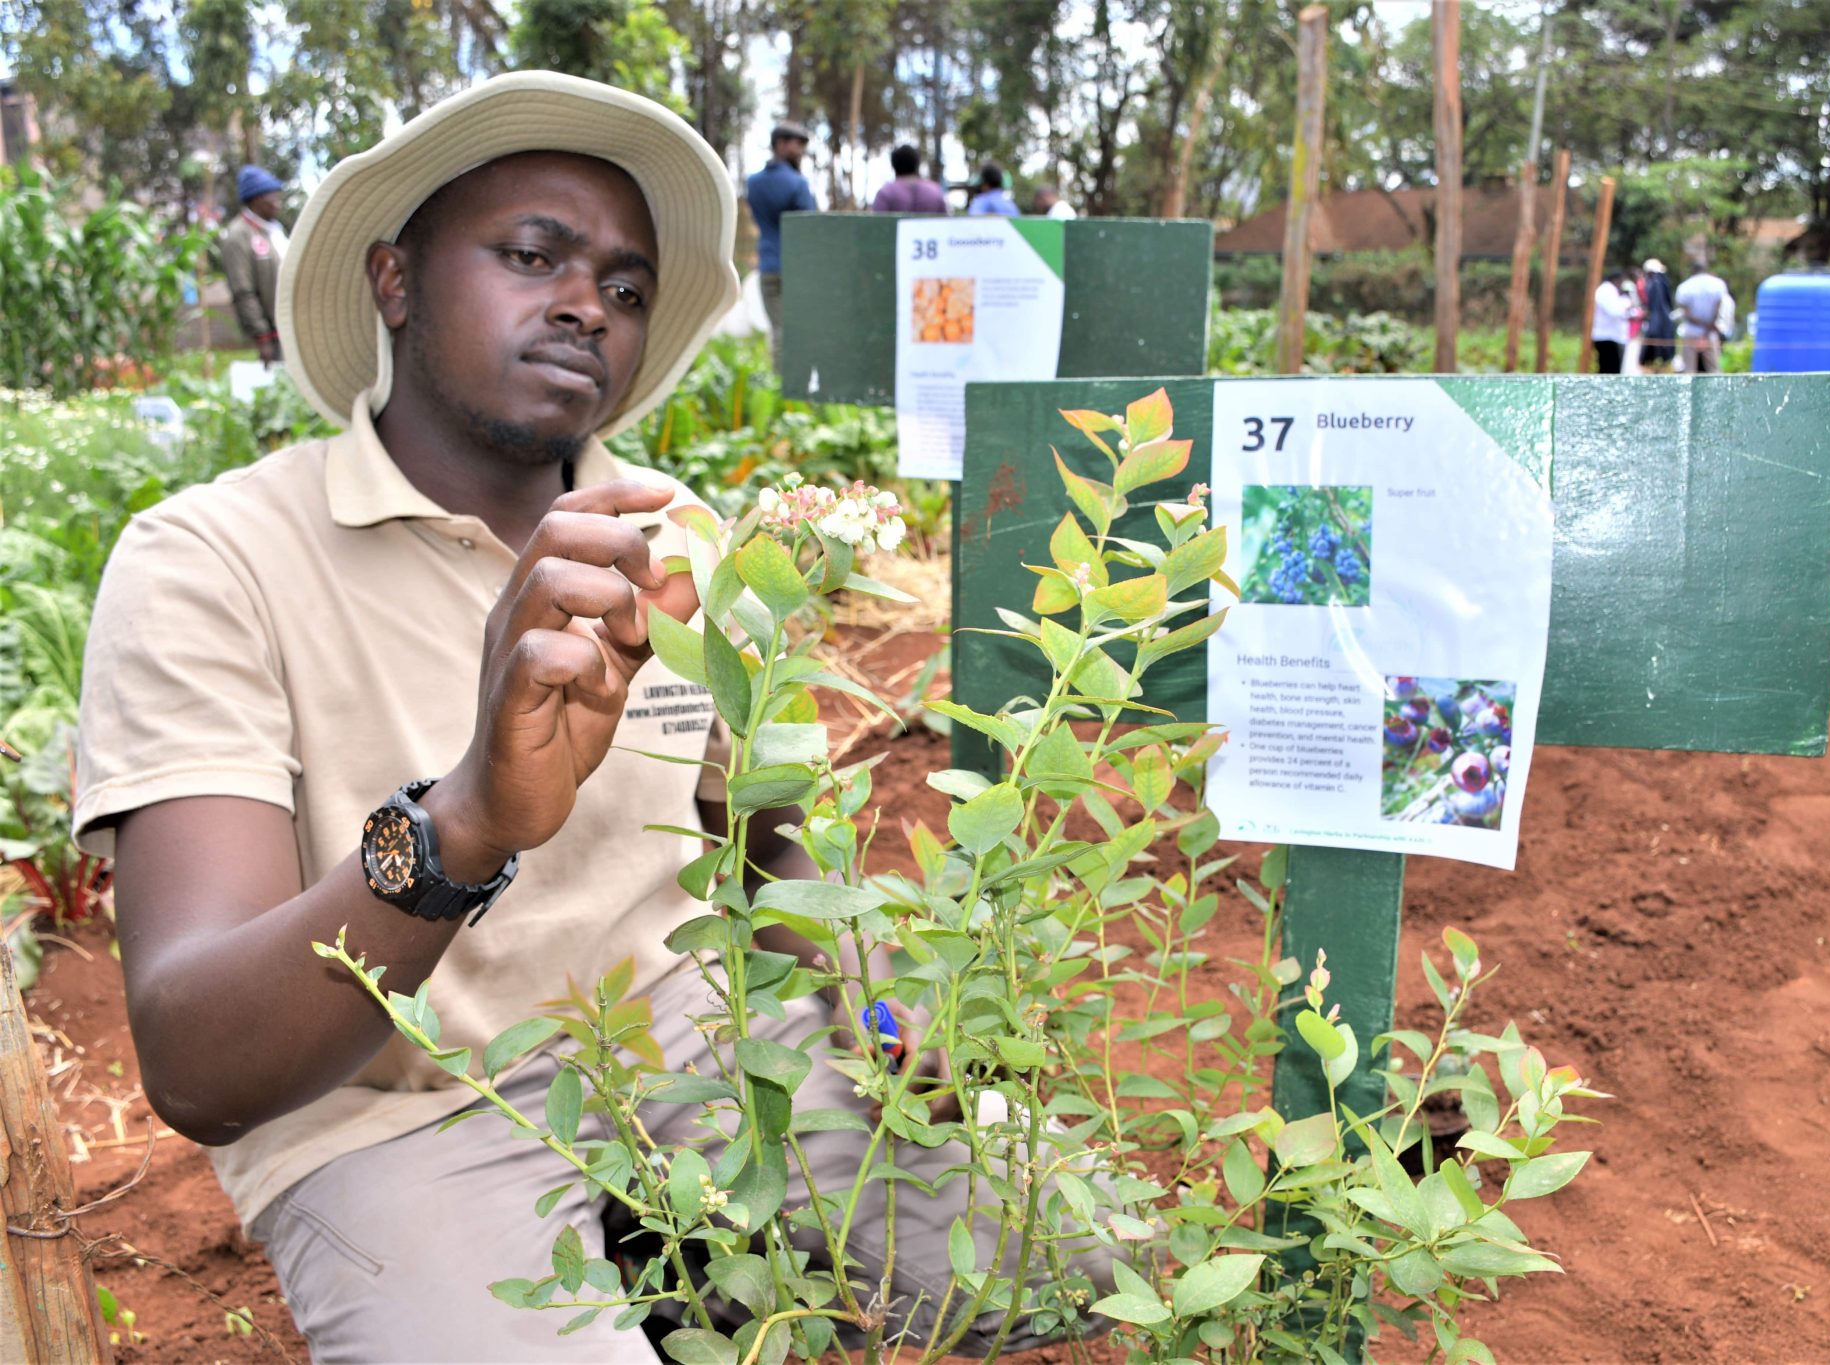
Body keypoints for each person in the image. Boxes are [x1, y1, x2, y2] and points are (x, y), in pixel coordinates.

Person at [73, 72, 1105, 1361]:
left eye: (624, 289)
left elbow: (769, 841)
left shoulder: (682, 541)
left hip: (698, 1048)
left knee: (1070, 1257)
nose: (584, 305)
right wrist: (463, 824)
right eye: (531, 255)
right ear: (394, 281)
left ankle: (680, 1271)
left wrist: (879, 1011)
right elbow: (197, 1063)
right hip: (397, 1111)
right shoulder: (210, 560)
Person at [744, 119, 815, 366]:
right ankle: (793, 387)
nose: (801, 152)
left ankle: (781, 387)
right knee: (797, 331)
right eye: (797, 145)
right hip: (797, 268)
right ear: (780, 144)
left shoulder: (752, 183)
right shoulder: (798, 184)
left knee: (778, 329)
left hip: (768, 265)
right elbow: (809, 228)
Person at [218, 164, 290, 364]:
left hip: (292, 327)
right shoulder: (238, 236)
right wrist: (262, 337)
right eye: (272, 196)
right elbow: (243, 290)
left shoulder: (275, 230)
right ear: (256, 199)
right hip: (273, 334)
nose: (278, 202)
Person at [1673, 253, 1731, 374]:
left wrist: (1701, 324)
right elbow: (1718, 306)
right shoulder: (1717, 284)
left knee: (1689, 369)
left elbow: (1686, 311)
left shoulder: (1685, 286)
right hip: (1710, 330)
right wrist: (1709, 325)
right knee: (1713, 368)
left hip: (1691, 329)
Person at [870, 143, 947, 214]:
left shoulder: (886, 193)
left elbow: (876, 225)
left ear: (894, 166)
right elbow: (946, 222)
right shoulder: (935, 191)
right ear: (917, 164)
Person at [1591, 268, 1635, 375]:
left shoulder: (1611, 291)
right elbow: (1615, 311)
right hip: (1607, 337)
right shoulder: (1607, 290)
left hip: (1612, 336)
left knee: (1612, 369)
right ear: (1616, 280)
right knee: (1609, 371)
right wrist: (1627, 306)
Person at [1638, 258, 1675, 370]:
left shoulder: (1657, 283)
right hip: (1659, 323)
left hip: (1658, 325)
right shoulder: (1659, 282)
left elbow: (1658, 306)